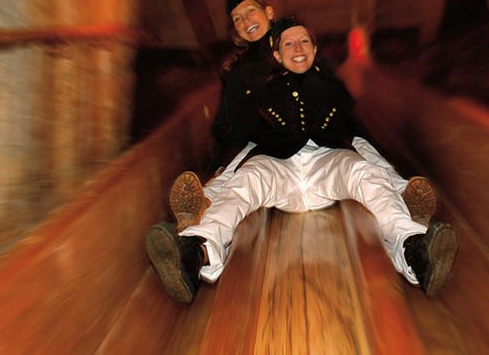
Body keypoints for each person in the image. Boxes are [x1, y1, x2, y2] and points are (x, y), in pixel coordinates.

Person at [147, 17, 458, 303]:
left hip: (327, 162)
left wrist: (397, 183)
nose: (298, 48)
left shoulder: (333, 89)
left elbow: (359, 138)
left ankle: (415, 253)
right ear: (278, 56)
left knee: (363, 172)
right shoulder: (262, 93)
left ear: (315, 49)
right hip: (277, 165)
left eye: (304, 41)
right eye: (288, 43)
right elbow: (243, 145)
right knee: (246, 181)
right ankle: (195, 254)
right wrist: (212, 187)